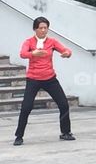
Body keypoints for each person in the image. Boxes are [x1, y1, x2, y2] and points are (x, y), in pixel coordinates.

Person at [14, 17, 74, 146]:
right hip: (33, 79)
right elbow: (23, 54)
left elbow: (67, 50)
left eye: (45, 28)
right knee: (26, 107)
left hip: (50, 78)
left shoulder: (52, 42)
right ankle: (19, 136)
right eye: (40, 28)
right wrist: (33, 53)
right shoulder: (29, 42)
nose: (43, 30)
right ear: (35, 29)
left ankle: (66, 132)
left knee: (64, 104)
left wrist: (67, 53)